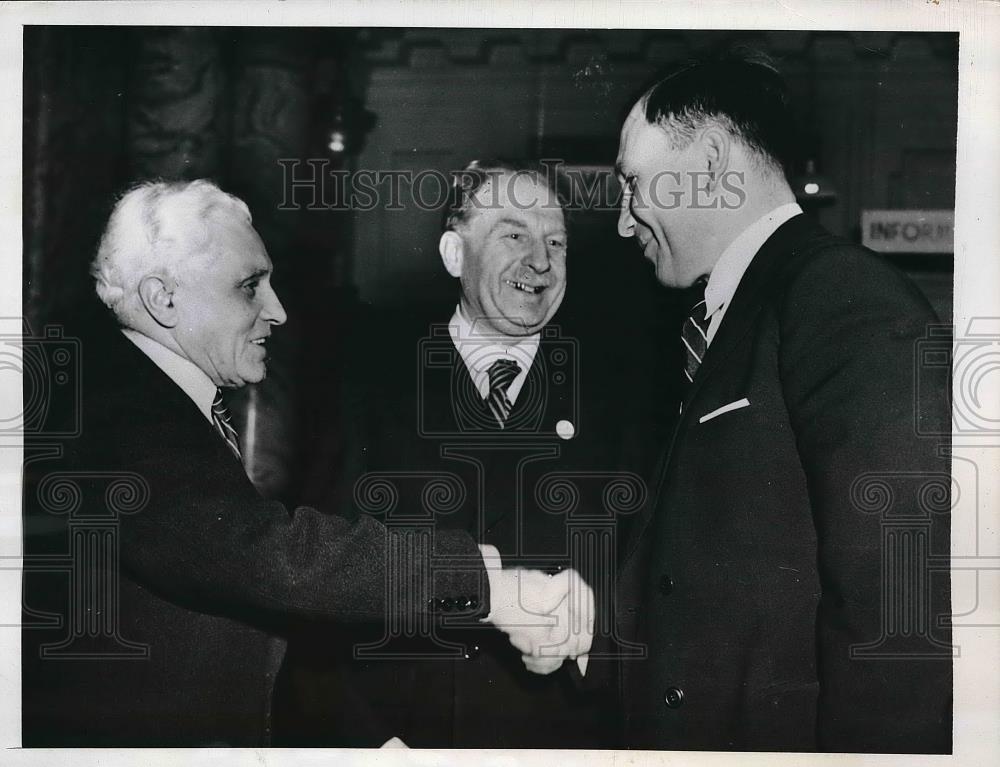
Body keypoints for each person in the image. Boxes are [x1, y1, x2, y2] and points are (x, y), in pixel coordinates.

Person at [21, 179, 591, 746]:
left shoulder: (143, 400)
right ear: (163, 297)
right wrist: (489, 584)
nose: (279, 311)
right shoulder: (117, 415)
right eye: (250, 287)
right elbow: (270, 556)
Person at [604, 52, 952, 752]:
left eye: (633, 186)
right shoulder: (731, 312)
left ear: (708, 161)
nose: (622, 222)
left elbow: (895, 617)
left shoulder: (842, 297)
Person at [285, 161, 630, 748]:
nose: (540, 261)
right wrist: (365, 744)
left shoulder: (620, 399)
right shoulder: (368, 387)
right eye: (513, 235)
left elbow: (649, 583)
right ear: (453, 254)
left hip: (559, 740)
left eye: (555, 242)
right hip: (402, 742)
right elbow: (313, 577)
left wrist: (592, 643)